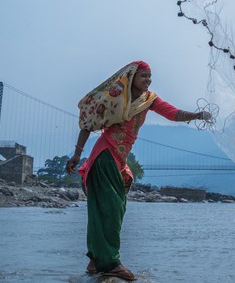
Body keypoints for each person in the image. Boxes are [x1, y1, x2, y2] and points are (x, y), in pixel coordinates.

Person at [65, 60, 211, 281]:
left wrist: (198, 116)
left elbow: (174, 114)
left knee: (113, 209)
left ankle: (96, 257)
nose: (148, 80)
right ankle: (111, 263)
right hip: (105, 155)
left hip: (120, 160)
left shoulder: (149, 100)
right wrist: (77, 154)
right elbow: (88, 121)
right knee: (110, 210)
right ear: (132, 77)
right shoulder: (115, 97)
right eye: (143, 76)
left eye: (150, 77)